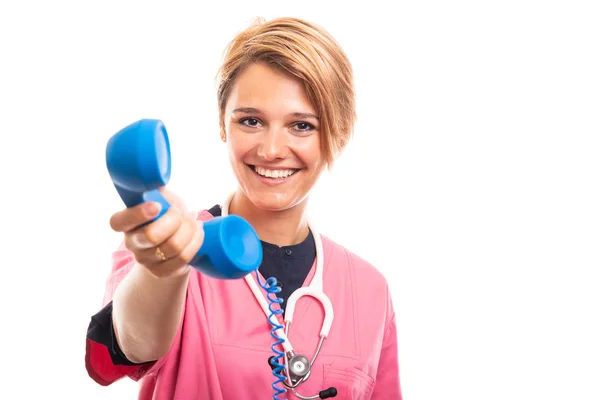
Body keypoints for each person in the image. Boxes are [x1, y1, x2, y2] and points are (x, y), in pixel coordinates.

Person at [85, 16, 402, 400]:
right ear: (223, 125)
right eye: (251, 121)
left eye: (301, 126)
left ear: (337, 133)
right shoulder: (169, 240)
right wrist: (164, 270)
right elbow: (131, 343)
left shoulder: (370, 290)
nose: (270, 150)